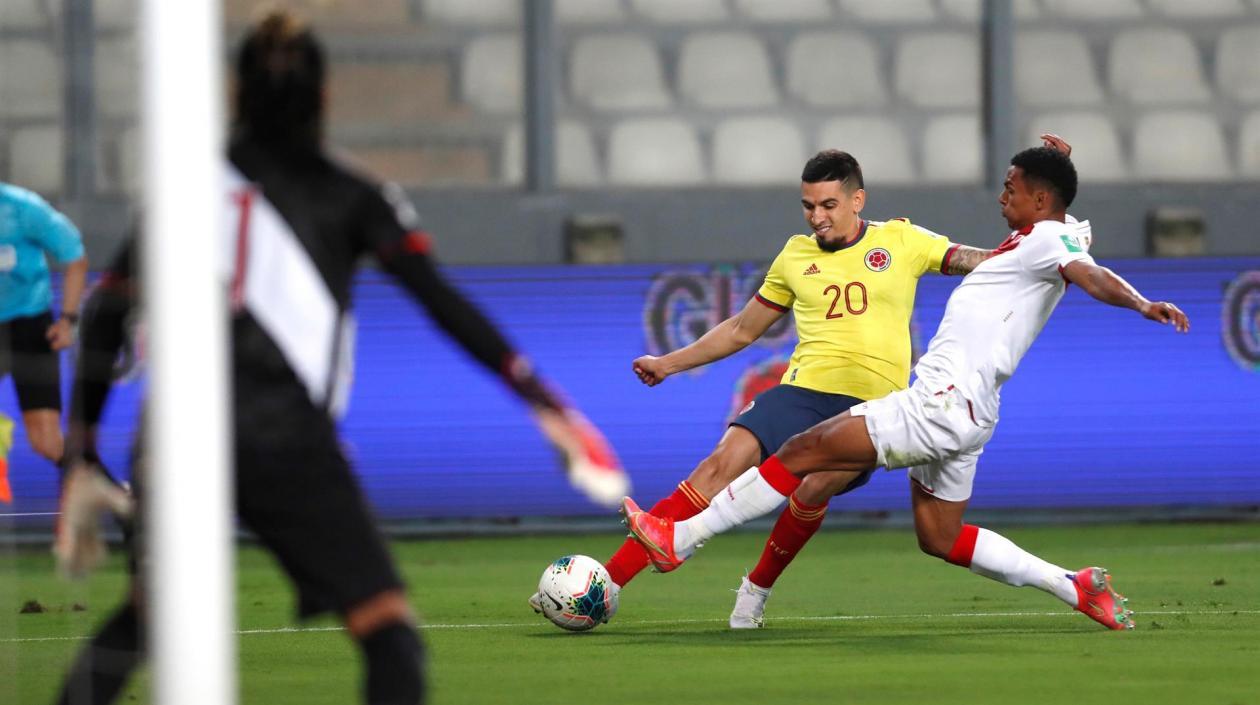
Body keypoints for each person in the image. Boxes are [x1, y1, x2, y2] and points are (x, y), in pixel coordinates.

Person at [54, 11, 625, 705]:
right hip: (287, 443)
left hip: (176, 439)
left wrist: (81, 451)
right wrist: (542, 399)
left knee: (147, 620)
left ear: (233, 95)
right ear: (326, 100)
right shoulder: (353, 195)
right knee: (389, 638)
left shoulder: (182, 193)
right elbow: (439, 300)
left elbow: (108, 314)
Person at [624, 145, 1191, 631]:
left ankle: (682, 539)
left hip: (937, 403)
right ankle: (1075, 587)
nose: (1001, 197)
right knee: (939, 537)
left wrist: (1141, 303)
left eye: (1010, 188)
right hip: (971, 414)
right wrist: (1054, 168)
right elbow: (1053, 229)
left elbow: (1087, 271)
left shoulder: (1047, 243)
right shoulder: (1033, 241)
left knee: (802, 451)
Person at [534, 146, 1011, 628]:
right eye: (808, 206)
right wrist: (668, 363)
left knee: (814, 487)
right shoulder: (795, 254)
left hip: (875, 407)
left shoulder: (902, 240)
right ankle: (606, 585)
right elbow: (743, 329)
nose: (817, 217)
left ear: (857, 199)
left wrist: (1036, 238)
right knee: (723, 459)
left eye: (828, 205)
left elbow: (979, 260)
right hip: (803, 391)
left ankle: (755, 589)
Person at [0, 181, 89, 490]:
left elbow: (75, 254)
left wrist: (68, 320)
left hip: (29, 325)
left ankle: (115, 498)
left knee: (46, 442)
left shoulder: (23, 208)